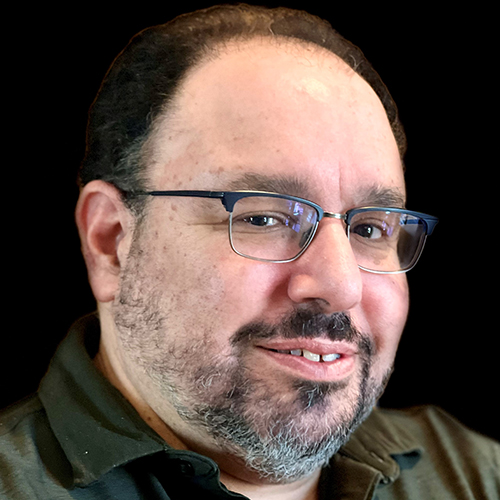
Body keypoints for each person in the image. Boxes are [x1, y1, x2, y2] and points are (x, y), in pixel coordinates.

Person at [1, 4, 498, 499]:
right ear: (110, 242)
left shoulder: (478, 474)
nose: (341, 286)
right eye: (263, 219)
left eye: (370, 229)